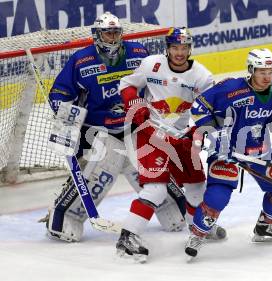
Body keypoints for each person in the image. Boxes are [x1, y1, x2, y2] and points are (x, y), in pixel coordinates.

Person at [40, 12, 186, 242]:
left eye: (116, 32)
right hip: (97, 130)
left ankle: (173, 209)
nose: (113, 37)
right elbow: (59, 93)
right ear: (97, 35)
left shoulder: (138, 53)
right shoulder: (81, 60)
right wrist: (67, 115)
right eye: (108, 33)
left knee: (155, 175)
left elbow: (155, 85)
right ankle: (63, 217)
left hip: (134, 127)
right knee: (102, 171)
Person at [184, 48, 272, 258]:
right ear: (251, 70)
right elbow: (199, 107)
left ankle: (265, 226)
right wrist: (216, 136)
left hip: (259, 151)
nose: (267, 76)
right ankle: (198, 234)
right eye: (262, 71)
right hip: (226, 152)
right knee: (217, 197)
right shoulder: (230, 89)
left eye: (271, 71)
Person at [116, 27, 226, 261]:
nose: (179, 52)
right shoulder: (151, 64)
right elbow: (126, 84)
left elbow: (209, 108)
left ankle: (196, 227)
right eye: (175, 47)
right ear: (167, 48)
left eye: (184, 48)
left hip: (184, 136)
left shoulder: (201, 76)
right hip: (152, 135)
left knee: (197, 186)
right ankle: (127, 238)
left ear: (190, 49)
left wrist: (197, 131)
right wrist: (136, 103)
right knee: (156, 189)